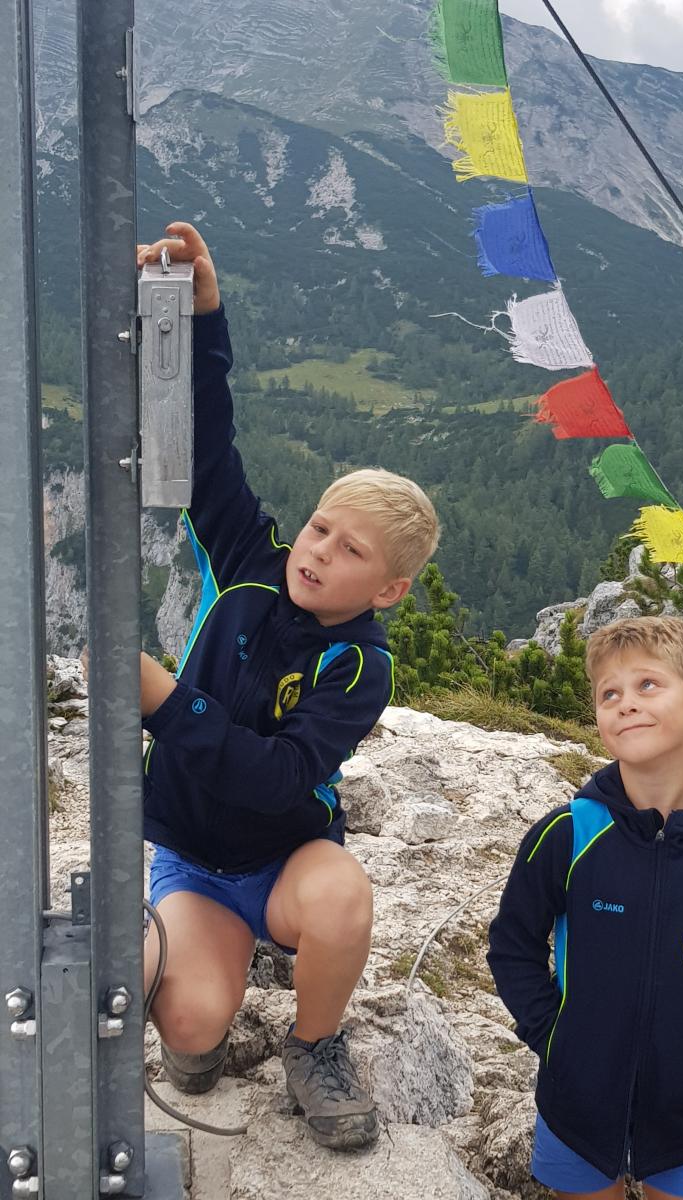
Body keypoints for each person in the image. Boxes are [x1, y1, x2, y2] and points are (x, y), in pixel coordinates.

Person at [138, 222, 440, 1151]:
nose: (318, 552)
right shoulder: (248, 562)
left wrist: (164, 703)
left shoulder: (360, 665)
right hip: (191, 856)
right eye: (319, 528)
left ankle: (314, 1044)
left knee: (342, 895)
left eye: (351, 551)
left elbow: (278, 779)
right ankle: (208, 982)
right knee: (193, 1028)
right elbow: (206, 443)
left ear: (388, 591)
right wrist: (204, 315)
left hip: (280, 863)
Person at [487, 615, 683, 1199]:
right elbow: (511, 944)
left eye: (648, 684)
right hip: (575, 1112)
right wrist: (552, 1037)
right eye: (609, 694)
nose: (626, 703)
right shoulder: (567, 835)